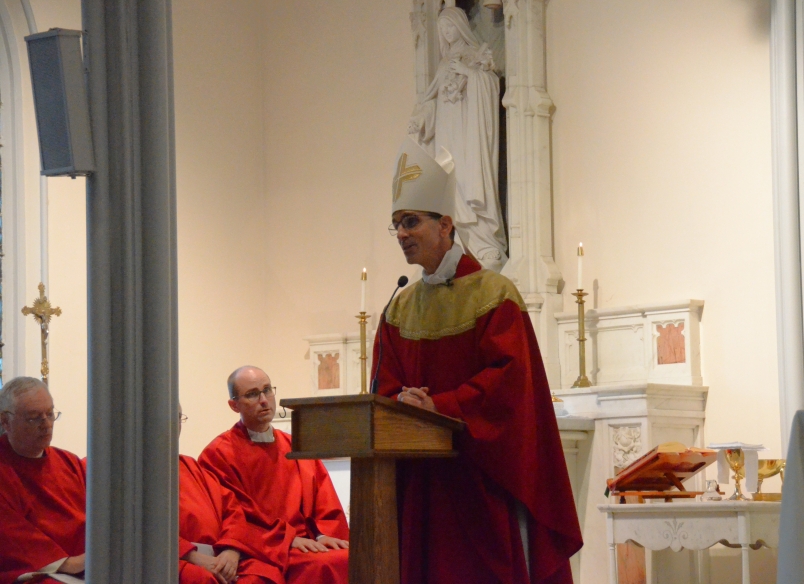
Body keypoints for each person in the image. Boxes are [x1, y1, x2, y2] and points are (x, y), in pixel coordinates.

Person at [373, 137, 583, 583]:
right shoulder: (399, 305)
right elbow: (384, 387)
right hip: (422, 484)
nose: (402, 234)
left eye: (411, 221)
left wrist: (441, 408)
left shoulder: (493, 294)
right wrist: (403, 404)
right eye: (396, 225)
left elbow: (510, 385)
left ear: (446, 225)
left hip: (480, 479)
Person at [199, 367, 349, 584]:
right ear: (234, 405)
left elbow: (324, 500)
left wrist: (323, 534)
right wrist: (287, 540)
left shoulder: (295, 446)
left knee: (348, 557)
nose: (264, 400)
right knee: (323, 564)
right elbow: (233, 515)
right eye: (252, 394)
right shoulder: (219, 454)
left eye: (267, 390)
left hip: (306, 542)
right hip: (264, 548)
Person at [408, 6, 508, 271]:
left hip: (469, 137)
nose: (447, 33)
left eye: (450, 26)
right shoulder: (442, 64)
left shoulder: (476, 55)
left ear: (461, 26)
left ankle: (484, 244)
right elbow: (431, 101)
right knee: (450, 191)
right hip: (446, 136)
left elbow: (489, 85)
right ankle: (457, 250)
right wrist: (420, 119)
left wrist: (467, 72)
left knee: (469, 184)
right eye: (442, 30)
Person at [178, 405, 287, 584]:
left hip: (220, 553)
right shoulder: (134, 475)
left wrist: (231, 549)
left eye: (178, 417)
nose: (173, 425)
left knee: (264, 574)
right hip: (179, 558)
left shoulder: (191, 466)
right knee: (199, 578)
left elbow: (232, 510)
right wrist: (192, 556)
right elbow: (147, 532)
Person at [0, 376, 86, 583]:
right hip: (37, 570)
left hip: (88, 561)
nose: (46, 424)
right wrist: (67, 563)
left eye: (50, 414)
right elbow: (12, 535)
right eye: (33, 417)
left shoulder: (68, 462)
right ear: (5, 421)